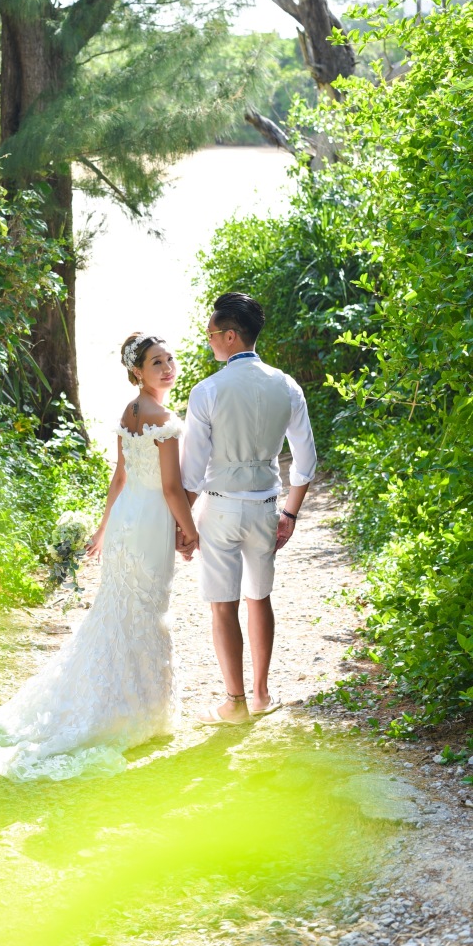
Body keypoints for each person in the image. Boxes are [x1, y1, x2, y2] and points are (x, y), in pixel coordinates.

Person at [0, 333, 199, 782]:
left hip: (125, 521)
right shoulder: (164, 418)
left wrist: (104, 527)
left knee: (122, 610)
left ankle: (132, 705)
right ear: (137, 370)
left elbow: (119, 476)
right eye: (157, 362)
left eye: (170, 359)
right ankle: (139, 711)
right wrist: (191, 533)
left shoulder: (129, 411)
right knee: (147, 610)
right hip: (151, 520)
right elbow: (173, 489)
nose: (168, 367)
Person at [180, 292, 317, 726]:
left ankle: (234, 703)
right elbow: (306, 460)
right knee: (259, 597)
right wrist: (290, 514)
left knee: (223, 605)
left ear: (231, 335)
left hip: (220, 508)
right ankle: (261, 694)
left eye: (212, 335)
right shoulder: (287, 385)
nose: (209, 343)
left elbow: (192, 471)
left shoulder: (208, 391)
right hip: (265, 508)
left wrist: (183, 526)